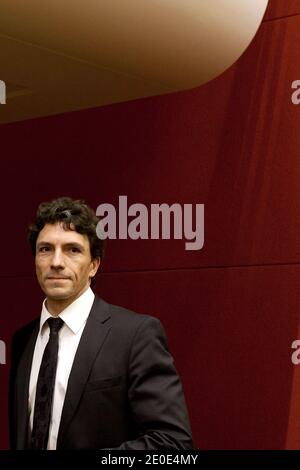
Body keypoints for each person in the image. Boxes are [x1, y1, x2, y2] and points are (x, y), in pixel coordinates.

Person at [9, 196, 193, 450]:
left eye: (73, 250)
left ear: (94, 265)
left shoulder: (135, 335)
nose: (56, 262)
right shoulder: (22, 340)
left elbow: (173, 445)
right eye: (45, 249)